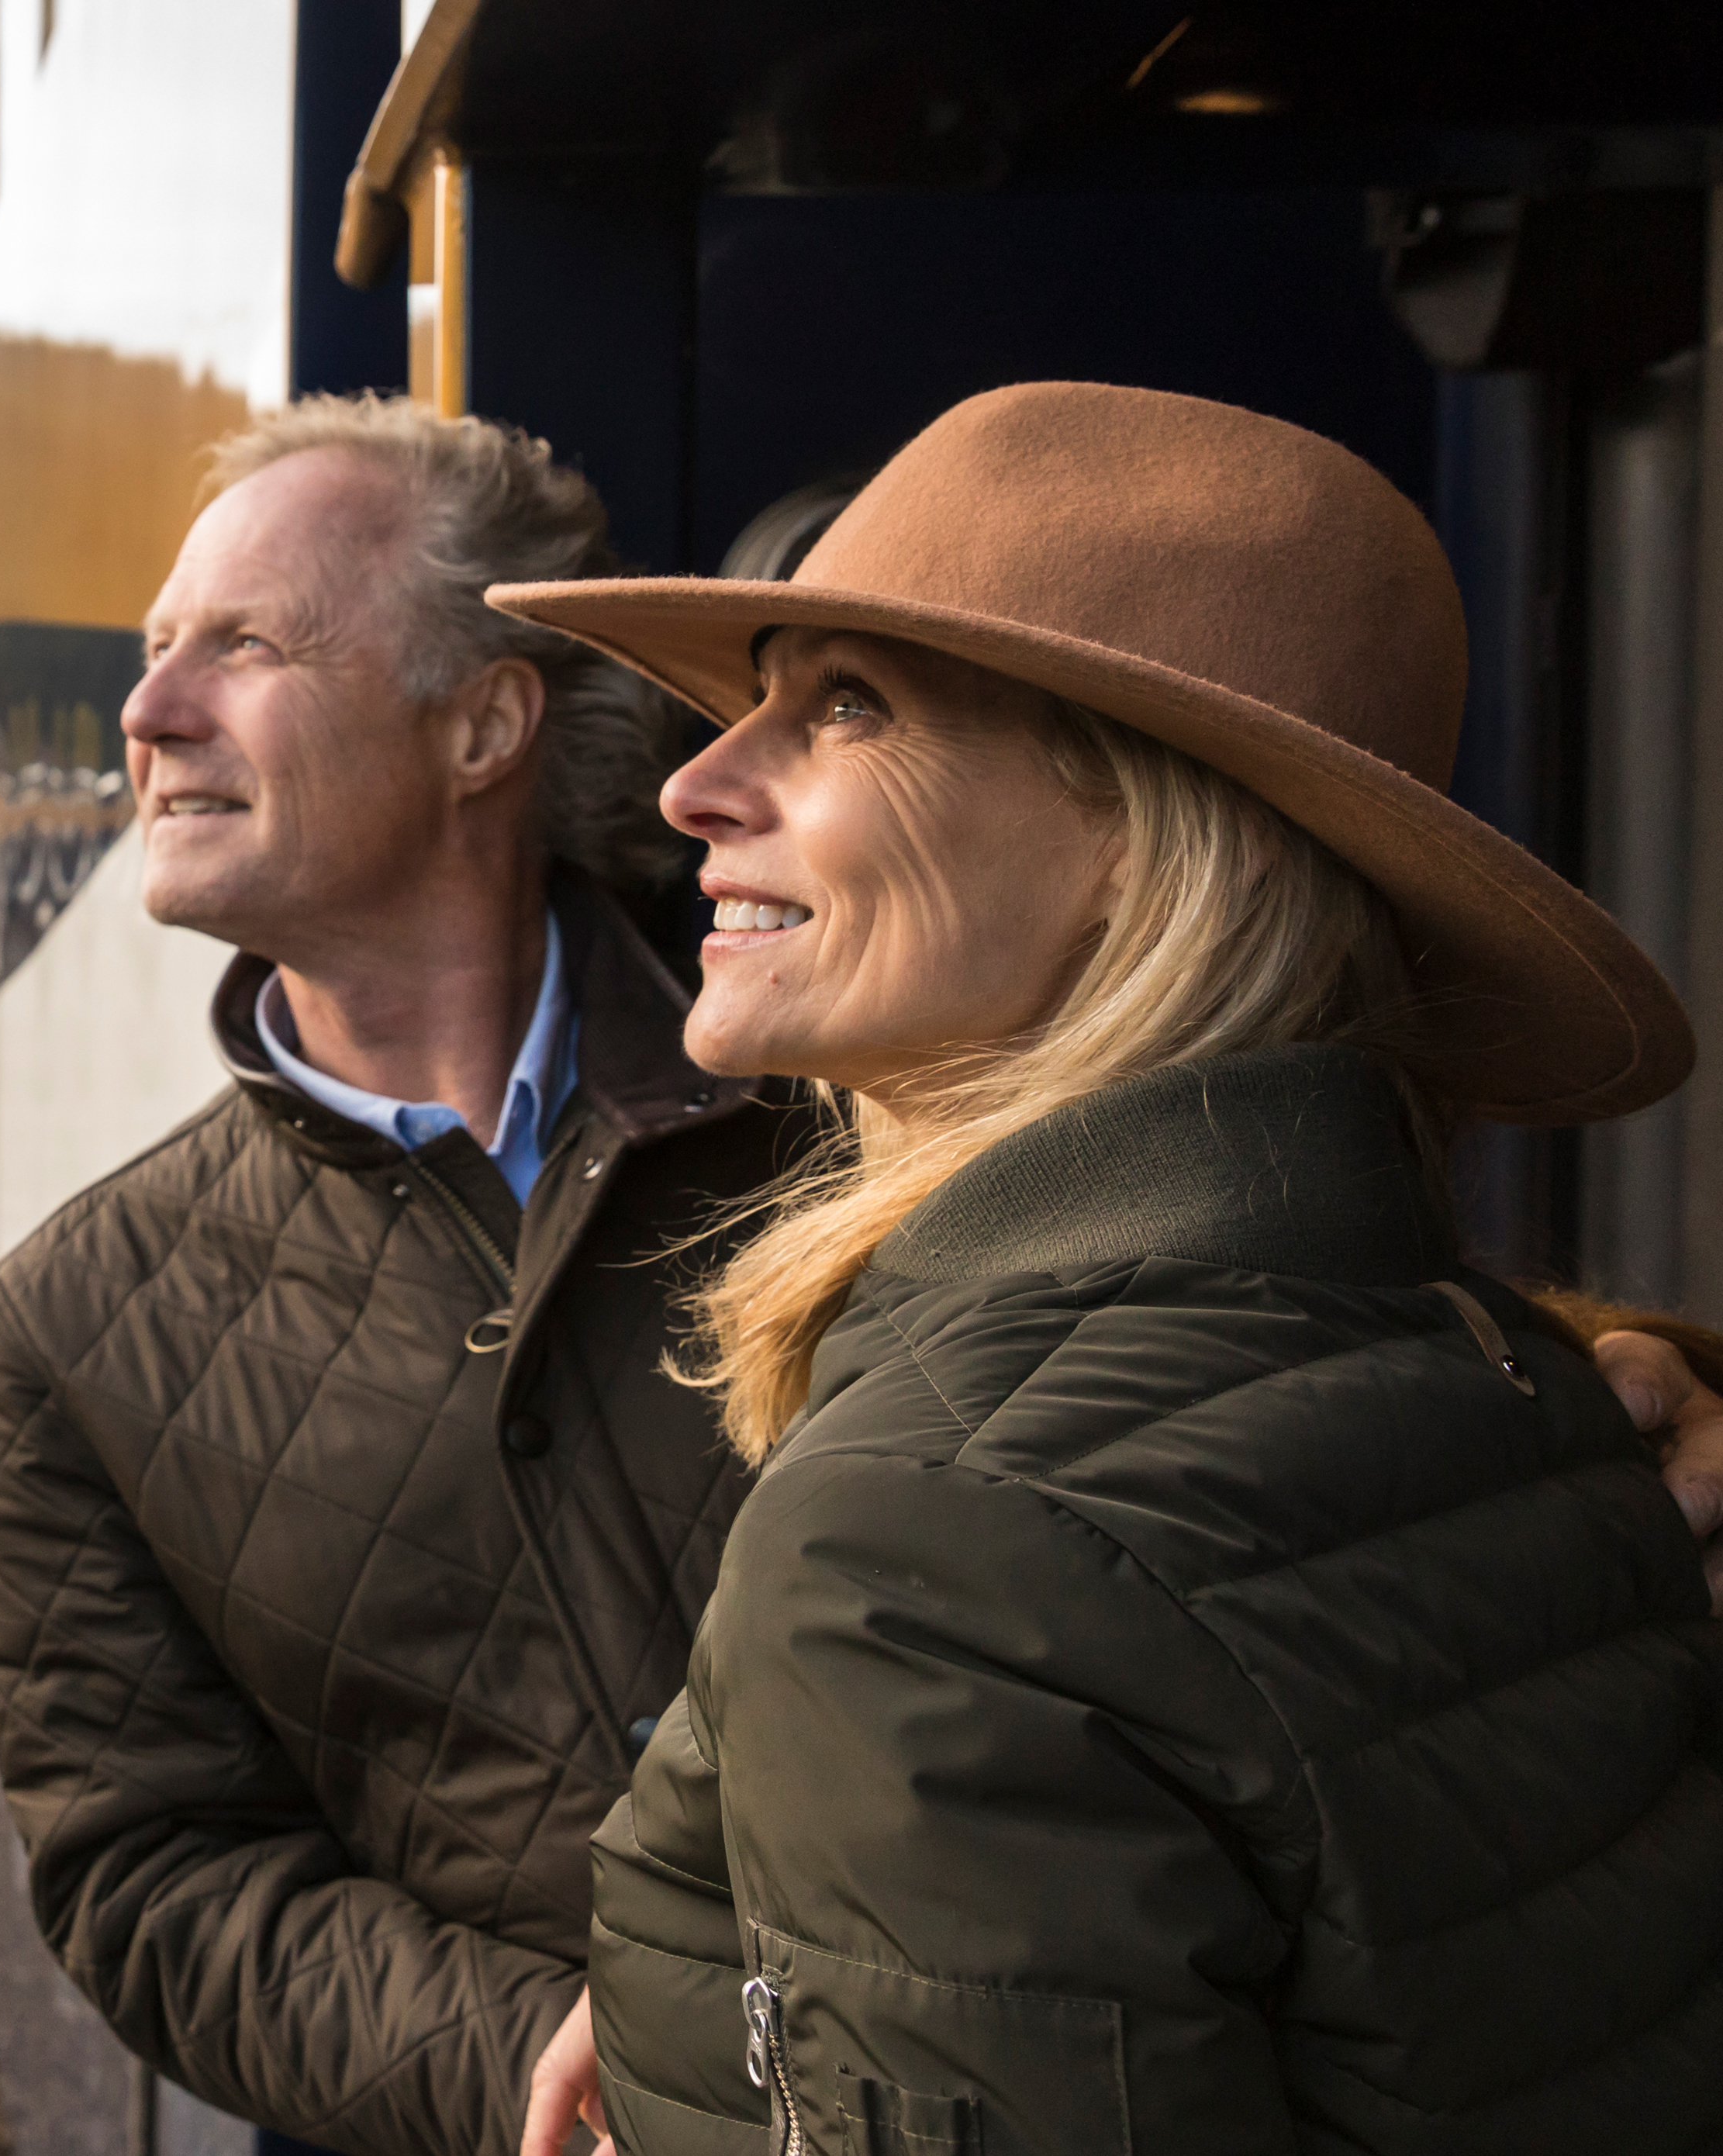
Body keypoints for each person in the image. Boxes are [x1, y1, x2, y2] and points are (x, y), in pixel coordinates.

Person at [489, 382, 1723, 2151]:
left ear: (1141, 839)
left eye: (846, 705)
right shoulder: (1533, 1380)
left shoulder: (931, 1546)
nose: (693, 783)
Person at [0, 395, 811, 2156]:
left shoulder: (844, 1131)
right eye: (152, 652)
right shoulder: (72, 1328)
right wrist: (529, 2058)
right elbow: (149, 1873)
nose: (147, 712)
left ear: (486, 721)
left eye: (243, 646)